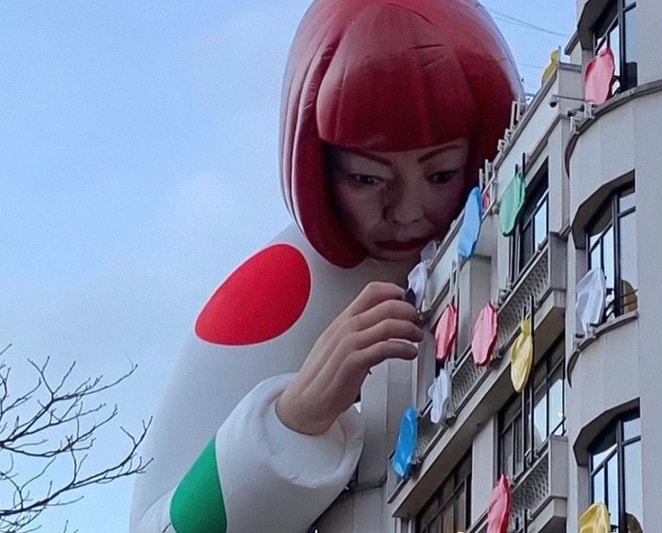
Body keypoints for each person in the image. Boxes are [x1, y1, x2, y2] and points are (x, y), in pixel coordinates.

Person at [129, 1, 521, 531]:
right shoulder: (278, 287)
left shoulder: (524, 225)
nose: (407, 213)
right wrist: (295, 418)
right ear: (318, 167)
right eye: (367, 178)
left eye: (441, 174)